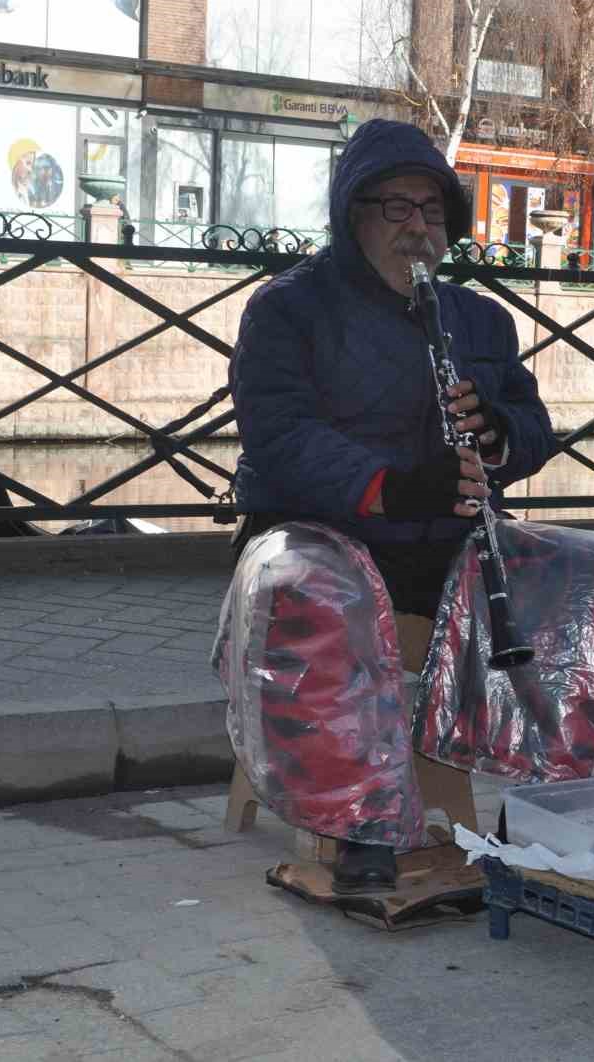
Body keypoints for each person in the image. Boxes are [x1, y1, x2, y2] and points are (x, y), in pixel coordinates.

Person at [227, 119, 555, 891]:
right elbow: (279, 436)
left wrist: (500, 435)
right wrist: (390, 484)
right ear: (353, 215)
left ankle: (556, 809)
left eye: (432, 211)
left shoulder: (480, 319)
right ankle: (360, 824)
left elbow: (535, 423)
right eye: (396, 208)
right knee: (330, 593)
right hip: (318, 530)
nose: (418, 228)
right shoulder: (289, 309)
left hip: (443, 537)